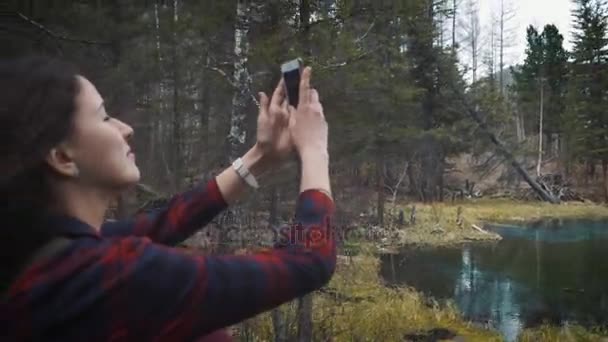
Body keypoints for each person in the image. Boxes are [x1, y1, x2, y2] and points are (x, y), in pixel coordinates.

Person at [0, 56, 335, 341]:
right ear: (62, 157)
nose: (125, 128)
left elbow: (164, 221)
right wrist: (315, 150)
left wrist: (261, 157)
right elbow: (308, 260)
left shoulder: (38, 253)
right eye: (104, 117)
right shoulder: (107, 277)